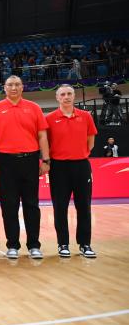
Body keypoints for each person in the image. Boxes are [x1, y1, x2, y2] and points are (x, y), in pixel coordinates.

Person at [0, 75, 50, 260]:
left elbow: (42, 136)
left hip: (30, 160)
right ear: (4, 88)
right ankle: (12, 245)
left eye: (17, 84)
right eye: (10, 85)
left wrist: (46, 160)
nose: (13, 87)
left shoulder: (34, 108)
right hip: (5, 162)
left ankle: (34, 245)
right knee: (9, 206)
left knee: (32, 205)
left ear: (22, 87)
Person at [45, 85, 98, 258]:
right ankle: (63, 244)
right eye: (62, 94)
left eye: (69, 94)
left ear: (74, 96)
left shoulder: (86, 116)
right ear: (57, 97)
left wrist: (79, 154)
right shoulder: (50, 118)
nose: (66, 97)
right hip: (58, 167)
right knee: (60, 207)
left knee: (84, 206)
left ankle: (85, 244)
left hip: (81, 166)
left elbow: (91, 141)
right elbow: (46, 143)